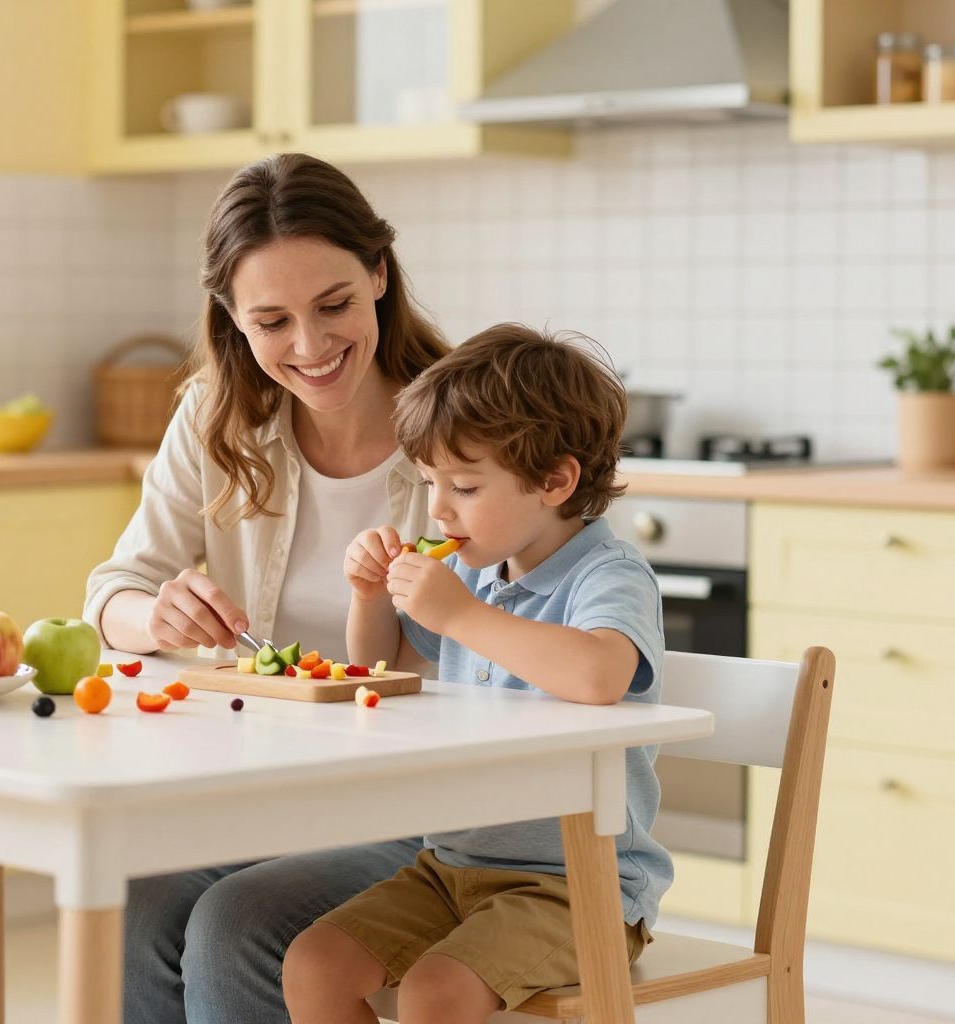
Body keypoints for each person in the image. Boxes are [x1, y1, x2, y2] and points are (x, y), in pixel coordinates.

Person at [82, 153, 449, 1024]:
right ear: (232, 320)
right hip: (272, 789)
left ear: (380, 275)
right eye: (273, 321)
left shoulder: (469, 420)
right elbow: (114, 588)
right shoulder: (217, 416)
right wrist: (155, 611)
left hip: (435, 802)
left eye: (334, 307)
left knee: (236, 925)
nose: (311, 348)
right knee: (135, 903)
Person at [282, 323, 668, 1024]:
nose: (437, 509)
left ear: (555, 480)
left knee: (436, 991)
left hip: (578, 885)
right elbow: (377, 670)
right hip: (451, 869)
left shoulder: (606, 575)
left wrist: (460, 616)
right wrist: (369, 595)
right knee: (316, 965)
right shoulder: (471, 573)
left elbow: (599, 675)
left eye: (463, 485)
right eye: (430, 483)